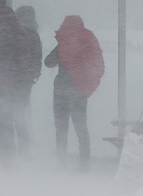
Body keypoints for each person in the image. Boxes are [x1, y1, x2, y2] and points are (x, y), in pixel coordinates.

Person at [44, 15, 104, 171]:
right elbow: (97, 65)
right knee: (81, 128)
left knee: (61, 128)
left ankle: (61, 163)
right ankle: (84, 163)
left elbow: (48, 62)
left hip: (61, 91)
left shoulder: (65, 42)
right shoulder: (88, 40)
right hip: (79, 91)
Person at [0, 6, 32, 159]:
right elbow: (25, 61)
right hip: (20, 85)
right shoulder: (21, 33)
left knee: (6, 120)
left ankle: (9, 156)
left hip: (9, 85)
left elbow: (3, 62)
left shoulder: (6, 35)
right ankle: (22, 154)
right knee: (19, 120)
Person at [15, 5, 43, 142]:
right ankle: (24, 146)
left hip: (13, 78)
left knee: (12, 113)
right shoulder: (33, 33)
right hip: (25, 80)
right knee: (21, 112)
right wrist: (33, 75)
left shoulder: (14, 32)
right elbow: (37, 57)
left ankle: (12, 151)